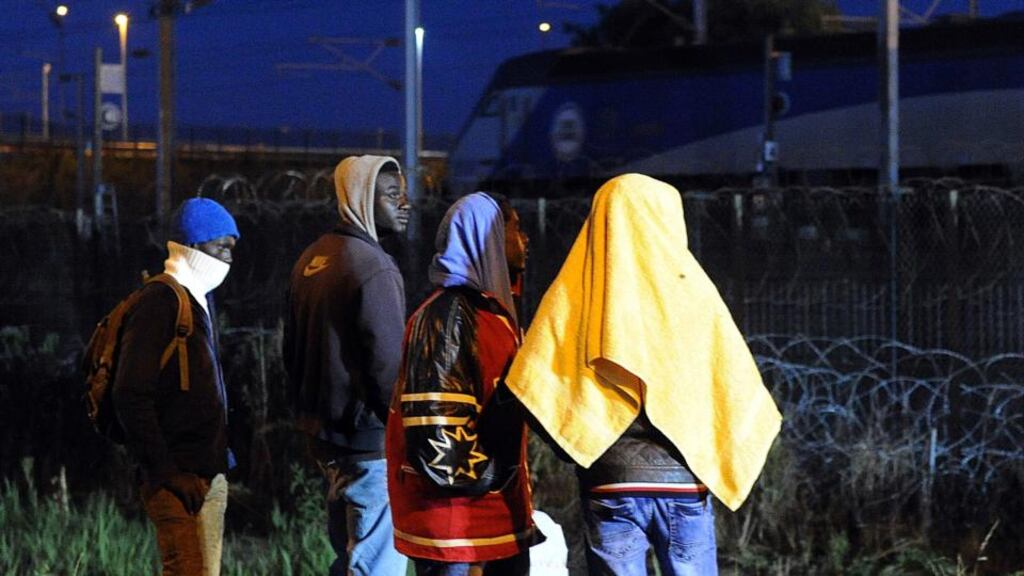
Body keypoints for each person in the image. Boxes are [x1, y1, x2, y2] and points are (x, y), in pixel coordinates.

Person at [504, 174, 783, 576]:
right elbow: (733, 390)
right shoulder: (694, 295)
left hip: (608, 480)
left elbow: (530, 385)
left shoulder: (573, 294)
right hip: (684, 482)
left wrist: (577, 447)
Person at [386, 192, 539, 576]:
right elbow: (435, 429)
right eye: (515, 228)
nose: (525, 239)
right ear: (485, 235)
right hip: (455, 520)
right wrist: (492, 473)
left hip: (492, 512)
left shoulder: (491, 311)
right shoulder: (449, 315)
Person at [283, 155, 410, 576]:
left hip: (324, 436)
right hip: (368, 441)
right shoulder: (372, 266)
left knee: (349, 555)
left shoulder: (311, 259)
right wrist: (405, 432)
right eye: (392, 195)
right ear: (361, 198)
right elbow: (388, 369)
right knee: (378, 564)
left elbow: (290, 351)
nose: (405, 203)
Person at [113, 197, 240, 576]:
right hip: (180, 480)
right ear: (194, 245)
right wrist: (168, 472)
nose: (229, 259)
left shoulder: (197, 299)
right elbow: (129, 395)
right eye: (222, 247)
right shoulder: (161, 302)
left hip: (204, 473)